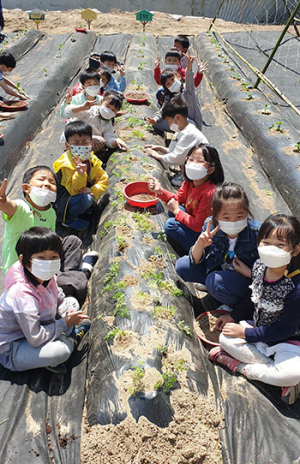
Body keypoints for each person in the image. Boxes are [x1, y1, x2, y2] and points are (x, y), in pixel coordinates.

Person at [210, 213, 300, 405]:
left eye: (280, 245)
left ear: (294, 250)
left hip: (289, 342)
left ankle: (241, 367)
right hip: (259, 331)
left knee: (293, 373)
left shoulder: (295, 287)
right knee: (225, 338)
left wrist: (245, 333)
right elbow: (253, 298)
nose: (270, 250)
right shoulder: (259, 267)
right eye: (266, 243)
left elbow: (285, 330)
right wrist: (232, 316)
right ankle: (272, 373)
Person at [0, 166, 98, 305]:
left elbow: (51, 236)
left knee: (73, 241)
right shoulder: (22, 208)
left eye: (52, 182)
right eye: (41, 179)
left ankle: (68, 277)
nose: (47, 184)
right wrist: (3, 203)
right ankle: (82, 273)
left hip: (46, 260)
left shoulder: (51, 212)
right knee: (59, 285)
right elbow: (10, 206)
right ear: (26, 188)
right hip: (28, 273)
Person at [0, 227, 91, 374]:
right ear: (24, 260)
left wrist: (66, 311)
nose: (48, 263)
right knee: (60, 352)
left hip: (40, 324)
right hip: (13, 347)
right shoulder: (22, 295)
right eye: (41, 258)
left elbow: (59, 296)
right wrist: (65, 323)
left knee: (72, 302)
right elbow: (35, 338)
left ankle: (63, 336)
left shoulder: (46, 276)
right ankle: (70, 340)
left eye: (54, 257)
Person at [176, 182, 260, 306]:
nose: (233, 222)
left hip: (246, 281)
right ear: (215, 214)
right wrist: (200, 244)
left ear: (247, 212)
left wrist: (250, 273)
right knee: (182, 266)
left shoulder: (257, 234)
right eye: (226, 217)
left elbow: (270, 273)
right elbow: (195, 260)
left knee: (214, 282)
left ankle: (236, 306)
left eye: (239, 216)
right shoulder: (211, 227)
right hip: (218, 271)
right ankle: (216, 289)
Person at [148, 144, 224, 254]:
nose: (193, 164)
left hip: (205, 237)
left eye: (199, 161)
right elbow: (176, 199)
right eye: (191, 159)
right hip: (194, 223)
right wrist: (159, 191)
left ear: (211, 169)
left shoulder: (209, 193)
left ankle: (196, 252)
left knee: (170, 224)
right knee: (172, 211)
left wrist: (177, 211)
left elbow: (199, 226)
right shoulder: (190, 182)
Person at [54, 121, 109, 231]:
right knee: (86, 199)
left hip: (81, 192)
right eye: (76, 143)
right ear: (67, 146)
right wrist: (80, 174)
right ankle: (68, 219)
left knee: (89, 197)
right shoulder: (66, 164)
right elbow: (73, 191)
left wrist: (93, 190)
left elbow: (103, 178)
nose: (81, 146)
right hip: (64, 199)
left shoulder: (92, 159)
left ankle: (82, 207)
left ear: (91, 143)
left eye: (85, 142)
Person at [146, 96, 208, 186]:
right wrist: (159, 148)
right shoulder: (180, 130)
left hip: (201, 168)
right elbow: (174, 150)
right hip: (193, 162)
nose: (169, 124)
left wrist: (159, 157)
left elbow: (177, 157)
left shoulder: (188, 133)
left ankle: (188, 178)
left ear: (177, 118)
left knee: (174, 180)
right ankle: (185, 174)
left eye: (168, 121)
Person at [147, 51, 203, 133]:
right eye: (168, 84)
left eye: (173, 80)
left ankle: (182, 133)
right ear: (165, 87)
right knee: (157, 123)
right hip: (179, 124)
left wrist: (189, 65)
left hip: (193, 126)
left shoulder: (187, 91)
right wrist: (155, 120)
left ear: (179, 77)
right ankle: (178, 132)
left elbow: (190, 79)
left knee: (189, 122)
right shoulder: (169, 97)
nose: (172, 84)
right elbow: (162, 111)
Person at [64, 91, 128, 152]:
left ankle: (84, 156)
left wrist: (115, 141)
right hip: (75, 137)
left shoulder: (108, 123)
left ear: (116, 112)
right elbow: (68, 112)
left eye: (113, 110)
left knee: (101, 141)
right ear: (101, 102)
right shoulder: (89, 110)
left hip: (88, 145)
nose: (108, 111)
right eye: (107, 107)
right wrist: (82, 107)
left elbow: (109, 139)